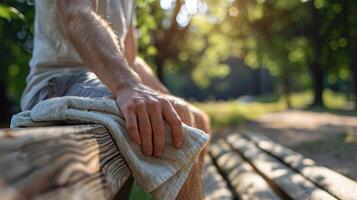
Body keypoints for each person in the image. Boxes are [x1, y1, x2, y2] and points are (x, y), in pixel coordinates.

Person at [21, 1, 211, 199]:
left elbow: (130, 59)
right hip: (57, 83)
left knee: (197, 118)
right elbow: (77, 14)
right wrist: (128, 86)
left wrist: (164, 95)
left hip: (104, 81)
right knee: (172, 120)